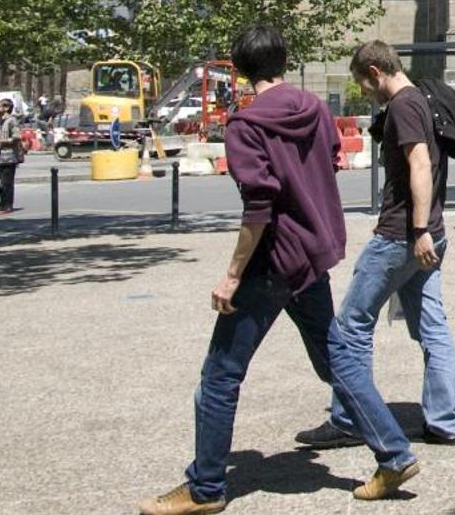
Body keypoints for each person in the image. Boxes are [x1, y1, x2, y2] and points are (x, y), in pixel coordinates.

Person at [138, 25, 347, 515]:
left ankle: (206, 488)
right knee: (336, 355)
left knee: (219, 374)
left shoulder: (245, 124)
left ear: (239, 68)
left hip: (272, 260)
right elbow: (329, 166)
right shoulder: (316, 108)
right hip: (312, 253)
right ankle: (393, 452)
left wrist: (232, 274)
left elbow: (259, 205)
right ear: (284, 59)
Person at [293, 41, 455, 496]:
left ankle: (349, 419)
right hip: (430, 232)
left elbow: (420, 164)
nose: (366, 93)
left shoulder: (405, 106)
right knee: (431, 323)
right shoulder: (421, 100)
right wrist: (429, 231)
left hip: (402, 235)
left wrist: (418, 229)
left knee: (349, 328)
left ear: (375, 71)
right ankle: (445, 421)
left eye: (364, 84)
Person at [0, 103, 22, 215]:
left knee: (7, 182)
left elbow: (16, 137)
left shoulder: (12, 120)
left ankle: (6, 205)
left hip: (8, 156)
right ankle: (2, 197)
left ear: (6, 108)